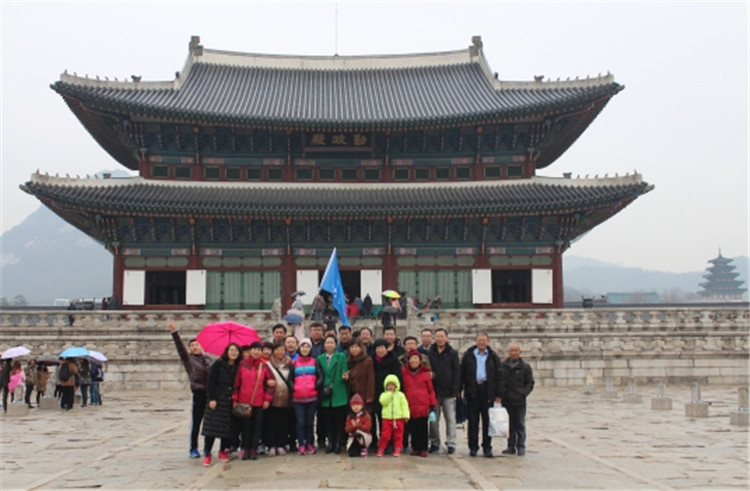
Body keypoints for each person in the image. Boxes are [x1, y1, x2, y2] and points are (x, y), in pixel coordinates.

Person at [169, 318, 213, 459]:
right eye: (192, 346)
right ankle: (193, 448)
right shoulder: (189, 359)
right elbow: (180, 348)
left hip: (210, 394)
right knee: (196, 422)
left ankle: (207, 448)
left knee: (209, 423)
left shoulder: (208, 359)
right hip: (198, 393)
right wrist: (175, 333)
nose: (194, 347)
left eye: (197, 345)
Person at [461, 332, 503, 458]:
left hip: (487, 390)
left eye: (484, 340)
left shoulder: (493, 356)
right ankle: (473, 446)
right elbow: (462, 373)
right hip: (473, 390)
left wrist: (499, 394)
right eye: (479, 340)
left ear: (488, 341)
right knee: (473, 420)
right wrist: (459, 389)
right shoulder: (469, 355)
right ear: (476, 341)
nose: (482, 342)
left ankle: (487, 446)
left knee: (487, 421)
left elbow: (499, 375)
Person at [232, 341, 275, 460]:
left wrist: (267, 399)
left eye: (259, 350)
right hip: (243, 401)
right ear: (250, 351)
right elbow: (236, 384)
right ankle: (245, 448)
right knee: (245, 427)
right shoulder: (242, 365)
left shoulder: (263, 365)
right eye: (254, 349)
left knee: (257, 427)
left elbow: (272, 383)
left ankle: (253, 449)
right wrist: (235, 399)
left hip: (259, 402)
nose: (256, 352)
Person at [202, 343, 241, 466]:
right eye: (231, 350)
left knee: (227, 428)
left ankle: (222, 450)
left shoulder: (239, 366)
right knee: (211, 429)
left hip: (230, 400)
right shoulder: (218, 364)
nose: (233, 353)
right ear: (227, 352)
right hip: (217, 399)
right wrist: (212, 398)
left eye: (236, 351)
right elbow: (211, 382)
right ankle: (207, 453)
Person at [427, 327, 461, 455]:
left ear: (447, 338)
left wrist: (456, 389)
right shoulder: (430, 353)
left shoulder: (452, 353)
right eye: (437, 337)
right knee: (433, 420)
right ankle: (434, 442)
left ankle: (451, 443)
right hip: (434, 392)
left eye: (442, 336)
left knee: (450, 419)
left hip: (448, 392)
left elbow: (457, 371)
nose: (440, 339)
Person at [500, 343, 535, 457]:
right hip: (507, 400)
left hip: (519, 401)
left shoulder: (525, 367)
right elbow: (500, 381)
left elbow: (530, 383)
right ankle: (511, 446)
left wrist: (523, 393)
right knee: (509, 425)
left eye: (516, 351)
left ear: (520, 353)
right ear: (509, 352)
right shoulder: (503, 366)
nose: (513, 353)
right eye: (512, 351)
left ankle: (521, 446)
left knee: (519, 424)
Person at [316, 335, 348, 454]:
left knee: (339, 421)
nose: (329, 345)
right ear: (324, 345)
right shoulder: (320, 358)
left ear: (335, 345)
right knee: (328, 421)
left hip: (339, 390)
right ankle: (331, 442)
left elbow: (344, 370)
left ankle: (338, 442)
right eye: (327, 343)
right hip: (326, 392)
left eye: (332, 343)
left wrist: (345, 376)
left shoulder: (341, 356)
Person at [401, 350, 437, 457]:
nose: (414, 361)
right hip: (410, 405)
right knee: (413, 428)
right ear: (408, 360)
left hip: (423, 404)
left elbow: (430, 390)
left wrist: (432, 403)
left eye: (416, 358)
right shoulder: (404, 373)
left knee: (423, 428)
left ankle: (423, 448)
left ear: (420, 361)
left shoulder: (425, 374)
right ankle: (415, 448)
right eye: (412, 358)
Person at [371, 338, 402, 451]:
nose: (380, 350)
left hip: (389, 394)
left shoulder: (393, 360)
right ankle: (374, 442)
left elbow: (398, 378)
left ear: (386, 348)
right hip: (375, 393)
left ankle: (388, 443)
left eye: (382, 348)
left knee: (387, 420)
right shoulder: (372, 361)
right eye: (377, 348)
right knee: (374, 418)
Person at [266, 343, 294, 456]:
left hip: (286, 398)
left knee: (284, 423)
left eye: (282, 350)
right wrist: (267, 382)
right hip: (272, 398)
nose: (280, 352)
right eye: (277, 350)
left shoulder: (289, 364)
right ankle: (271, 445)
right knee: (271, 423)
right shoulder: (268, 364)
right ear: (273, 351)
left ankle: (281, 444)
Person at [292, 338, 318, 455]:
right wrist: (294, 388)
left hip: (312, 397)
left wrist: (315, 386)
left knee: (309, 422)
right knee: (300, 422)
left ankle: (310, 443)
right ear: (299, 348)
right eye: (303, 346)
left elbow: (320, 376)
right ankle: (301, 444)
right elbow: (290, 379)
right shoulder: (294, 363)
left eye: (307, 347)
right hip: (298, 398)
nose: (305, 349)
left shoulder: (314, 362)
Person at [376, 374, 410, 457]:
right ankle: (381, 448)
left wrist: (405, 415)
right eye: (389, 385)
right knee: (385, 435)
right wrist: (389, 394)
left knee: (398, 435)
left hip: (398, 418)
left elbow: (404, 405)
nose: (391, 387)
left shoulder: (401, 395)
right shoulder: (384, 394)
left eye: (392, 385)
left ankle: (398, 448)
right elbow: (383, 401)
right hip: (387, 418)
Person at [343, 339, 375, 416]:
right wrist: (346, 378)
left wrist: (370, 398)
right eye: (352, 347)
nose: (354, 349)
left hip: (363, 394)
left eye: (356, 347)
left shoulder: (367, 361)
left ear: (361, 348)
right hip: (352, 394)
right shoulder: (348, 362)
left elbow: (371, 379)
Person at [344, 393, 372, 457]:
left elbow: (368, 428)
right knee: (351, 452)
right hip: (353, 436)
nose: (356, 407)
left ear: (362, 406)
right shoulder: (350, 416)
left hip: (364, 435)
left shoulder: (366, 415)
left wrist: (358, 426)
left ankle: (364, 448)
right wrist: (353, 426)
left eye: (358, 405)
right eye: (353, 405)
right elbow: (346, 429)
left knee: (359, 435)